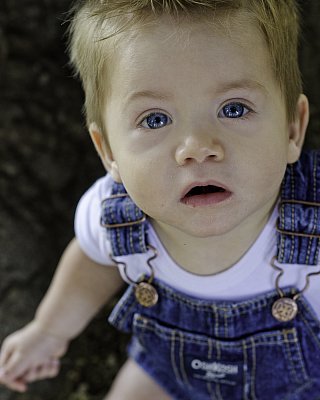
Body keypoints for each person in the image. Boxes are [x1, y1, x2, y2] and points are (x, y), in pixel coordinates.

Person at [0, 0, 319, 398]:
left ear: (292, 128)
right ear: (109, 152)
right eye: (155, 119)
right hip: (170, 371)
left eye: (233, 109)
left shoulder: (312, 224)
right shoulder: (115, 218)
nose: (198, 147)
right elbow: (94, 261)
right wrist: (49, 330)